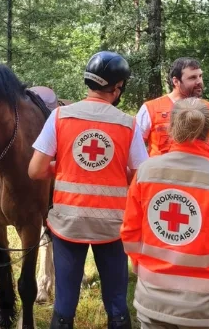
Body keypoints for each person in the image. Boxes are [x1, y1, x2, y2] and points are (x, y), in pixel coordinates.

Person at [28, 51, 148, 329]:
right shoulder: (128, 124)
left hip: (69, 223)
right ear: (117, 88)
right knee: (117, 301)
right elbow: (141, 176)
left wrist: (64, 166)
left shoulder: (59, 117)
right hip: (113, 226)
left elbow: (35, 170)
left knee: (64, 305)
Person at [121, 98, 209, 329]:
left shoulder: (146, 172)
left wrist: (142, 270)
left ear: (172, 128)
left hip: (153, 302)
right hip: (207, 309)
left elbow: (131, 233)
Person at [136, 57, 209, 176]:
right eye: (192, 77)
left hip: (200, 181)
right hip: (161, 181)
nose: (199, 82)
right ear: (176, 81)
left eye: (200, 76)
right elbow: (135, 147)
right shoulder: (151, 108)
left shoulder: (208, 109)